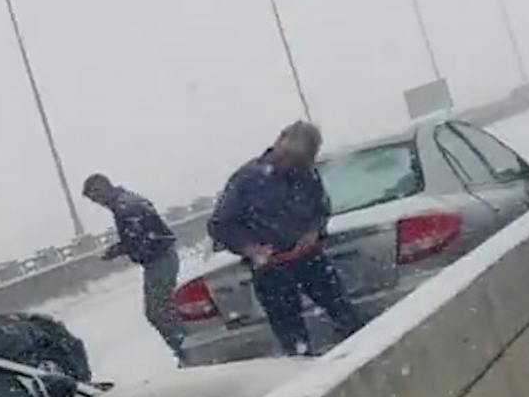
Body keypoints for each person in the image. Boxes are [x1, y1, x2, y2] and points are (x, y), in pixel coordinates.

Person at [208, 121, 363, 356]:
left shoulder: (307, 174)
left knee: (349, 319)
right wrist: (252, 250)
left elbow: (321, 208)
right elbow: (219, 225)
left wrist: (314, 231)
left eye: (300, 161)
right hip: (272, 270)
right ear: (279, 142)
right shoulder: (246, 180)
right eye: (289, 157)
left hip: (311, 260)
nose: (291, 165)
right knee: (294, 343)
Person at [83, 174, 184, 362]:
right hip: (161, 256)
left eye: (96, 197)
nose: (97, 202)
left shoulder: (125, 207)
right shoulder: (126, 201)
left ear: (103, 189)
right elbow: (139, 236)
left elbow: (139, 239)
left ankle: (186, 348)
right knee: (166, 309)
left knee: (158, 312)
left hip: (159, 260)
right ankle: (186, 345)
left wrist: (120, 250)